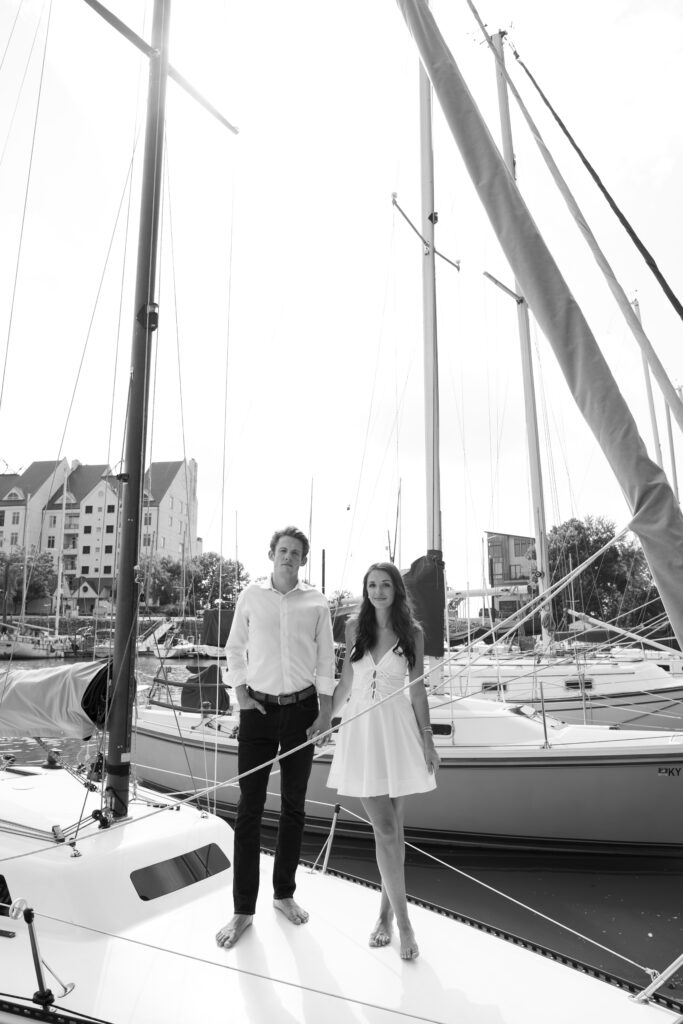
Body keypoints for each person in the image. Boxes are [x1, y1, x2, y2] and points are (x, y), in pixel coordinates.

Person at [216, 526, 335, 949]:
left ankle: (284, 894)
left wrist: (325, 712)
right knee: (248, 809)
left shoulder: (316, 601)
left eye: (296, 552)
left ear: (303, 560)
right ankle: (243, 909)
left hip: (303, 711)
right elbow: (233, 648)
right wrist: (241, 692)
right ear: (271, 554)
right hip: (258, 713)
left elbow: (326, 659)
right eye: (282, 550)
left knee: (294, 808)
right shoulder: (251, 596)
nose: (288, 557)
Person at [327, 561, 439, 960]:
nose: (378, 591)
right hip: (360, 732)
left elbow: (418, 692)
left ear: (396, 590)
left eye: (385, 585)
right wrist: (325, 720)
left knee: (394, 831)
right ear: (366, 589)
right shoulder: (353, 628)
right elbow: (346, 683)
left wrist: (428, 739)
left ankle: (385, 917)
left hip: (398, 733)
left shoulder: (413, 633)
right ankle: (403, 924)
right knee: (387, 829)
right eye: (372, 585)